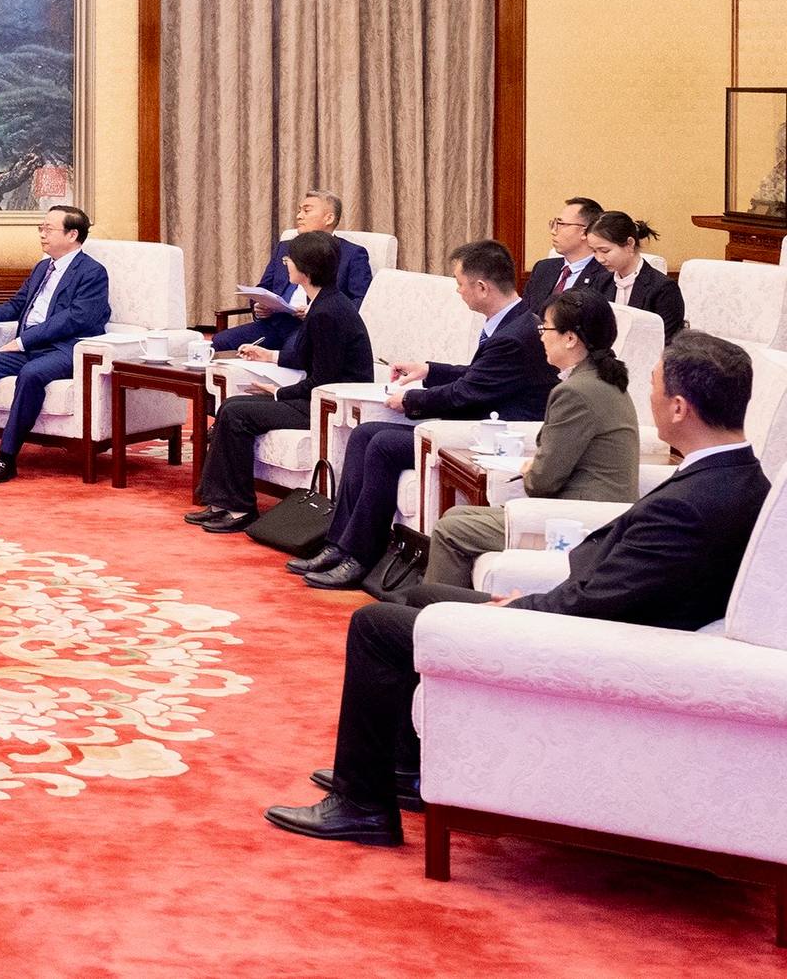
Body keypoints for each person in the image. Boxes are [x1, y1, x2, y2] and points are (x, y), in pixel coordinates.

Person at [265, 330, 770, 846]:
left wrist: (520, 608)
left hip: (589, 646)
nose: (650, 396)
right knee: (420, 596)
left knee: (374, 625)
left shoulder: (692, 504)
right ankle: (400, 770)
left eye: (655, 386)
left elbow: (602, 603)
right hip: (602, 624)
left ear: (680, 408)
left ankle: (360, 805)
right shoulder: (741, 479)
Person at [293, 241, 553, 591]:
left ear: (481, 287)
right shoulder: (511, 323)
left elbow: (466, 393)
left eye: (460, 283)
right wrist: (428, 370)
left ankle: (360, 556)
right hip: (475, 421)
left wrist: (410, 400)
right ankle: (339, 545)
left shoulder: (515, 336)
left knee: (383, 445)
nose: (458, 291)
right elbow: (477, 375)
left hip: (490, 435)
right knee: (364, 434)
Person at [424, 290, 639, 587]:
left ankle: (439, 611)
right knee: (457, 515)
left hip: (580, 519)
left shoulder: (575, 392)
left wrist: (530, 469)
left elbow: (543, 482)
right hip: (595, 509)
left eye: (545, 328)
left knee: (451, 529)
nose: (540, 337)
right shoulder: (603, 380)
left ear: (570, 338)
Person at [188, 230, 374, 533]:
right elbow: (305, 356)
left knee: (236, 413)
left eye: (291, 259)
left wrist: (278, 392)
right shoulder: (324, 302)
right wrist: (268, 356)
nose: (286, 262)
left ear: (306, 270)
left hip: (328, 405)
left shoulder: (327, 313)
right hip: (316, 397)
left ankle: (239, 509)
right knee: (230, 407)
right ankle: (221, 503)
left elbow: (323, 381)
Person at [0, 204, 111, 484]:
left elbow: (74, 319)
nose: (42, 234)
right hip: (30, 346)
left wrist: (23, 341)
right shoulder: (43, 267)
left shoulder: (92, 272)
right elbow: (20, 303)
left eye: (48, 229)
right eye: (41, 228)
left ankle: (7, 457)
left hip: (65, 349)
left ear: (72, 235)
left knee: (31, 374)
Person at [213, 190, 374, 354]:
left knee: (293, 352)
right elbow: (264, 286)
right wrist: (259, 307)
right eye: (299, 210)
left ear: (329, 218)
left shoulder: (352, 254)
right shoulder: (284, 248)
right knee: (220, 341)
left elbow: (362, 300)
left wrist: (317, 310)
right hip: (276, 323)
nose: (299, 216)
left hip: (314, 327)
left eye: (306, 211)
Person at [587, 211, 685, 340]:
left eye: (605, 251)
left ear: (630, 244)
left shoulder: (663, 289)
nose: (599, 259)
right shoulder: (601, 282)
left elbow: (666, 340)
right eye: (594, 251)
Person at [522, 195, 609, 308]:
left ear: (585, 232)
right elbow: (525, 313)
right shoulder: (543, 269)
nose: (553, 231)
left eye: (561, 224)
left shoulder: (604, 275)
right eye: (554, 223)